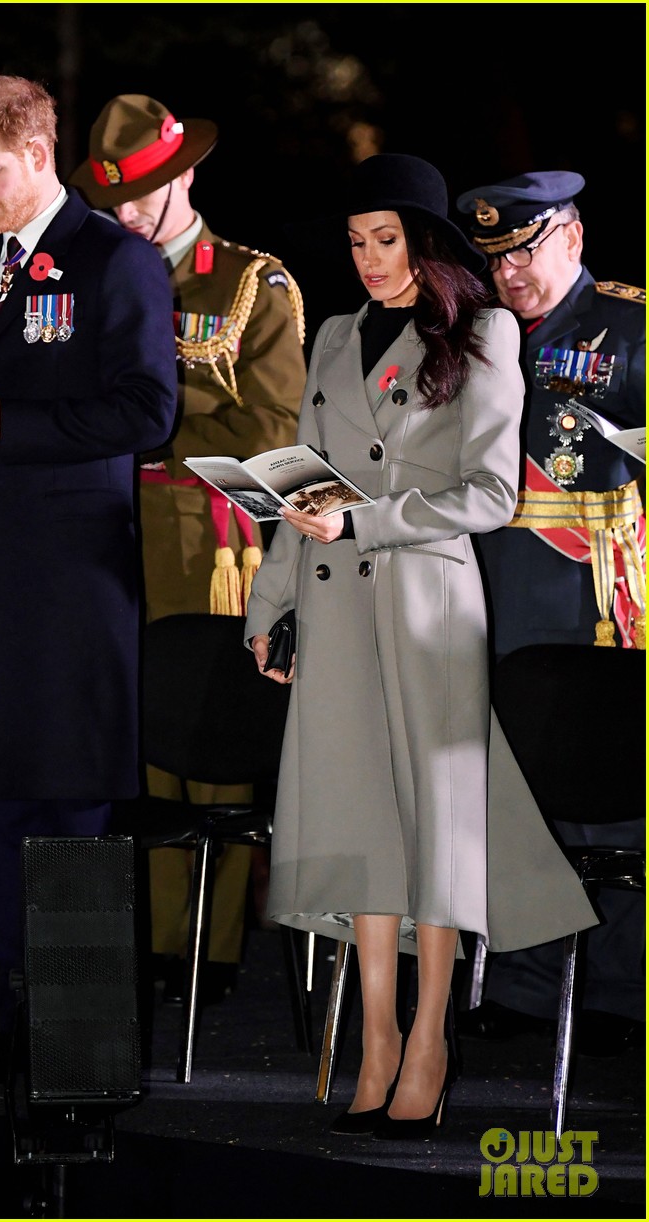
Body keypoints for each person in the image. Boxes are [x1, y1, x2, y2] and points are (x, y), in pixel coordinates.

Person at [244, 154, 598, 1138]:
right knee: (361, 820)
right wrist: (268, 607)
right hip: (333, 605)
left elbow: (491, 494)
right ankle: (378, 1039)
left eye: (386, 239)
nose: (368, 258)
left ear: (427, 241)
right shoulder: (332, 335)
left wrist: (363, 520)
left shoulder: (482, 332)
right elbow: (301, 484)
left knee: (434, 829)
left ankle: (431, 1041)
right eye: (356, 240)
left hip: (427, 604)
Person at [0, 74, 177, 1086]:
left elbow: (149, 410)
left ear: (38, 154)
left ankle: (84, 1055)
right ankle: (19, 1031)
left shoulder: (117, 259)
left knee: (68, 815)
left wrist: (13, 423)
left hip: (70, 589)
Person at [70, 94, 307, 1000]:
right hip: (103, 530)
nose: (127, 212)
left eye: (143, 193)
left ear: (188, 176)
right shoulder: (91, 276)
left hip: (203, 534)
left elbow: (276, 427)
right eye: (113, 198)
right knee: (125, 742)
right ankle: (135, 937)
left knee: (205, 743)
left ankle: (202, 948)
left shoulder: (249, 283)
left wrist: (150, 426)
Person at [454, 171, 646, 1055]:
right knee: (512, 789)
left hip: (593, 588)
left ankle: (621, 988)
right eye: (495, 260)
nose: (510, 275)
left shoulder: (631, 326)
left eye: (524, 254)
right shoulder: (477, 330)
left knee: (609, 791)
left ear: (571, 235)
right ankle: (524, 984)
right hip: (492, 584)